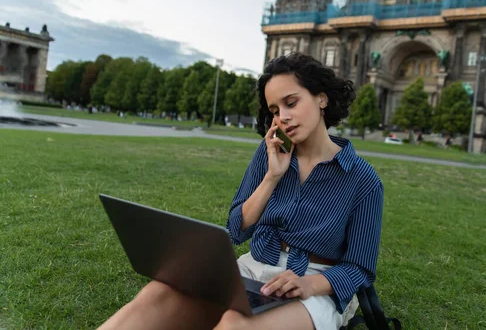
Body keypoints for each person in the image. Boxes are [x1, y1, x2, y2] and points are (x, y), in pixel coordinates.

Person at [99, 53, 384, 330]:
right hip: (254, 267)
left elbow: (358, 269)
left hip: (316, 284)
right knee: (159, 293)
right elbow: (236, 229)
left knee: (234, 324)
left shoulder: (363, 179)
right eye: (274, 110)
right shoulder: (269, 153)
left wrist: (307, 285)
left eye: (291, 102)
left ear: (321, 98)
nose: (282, 117)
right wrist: (272, 176)